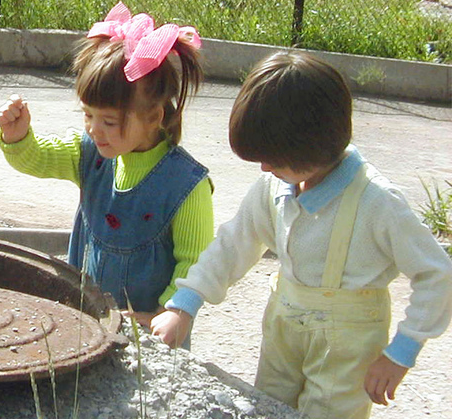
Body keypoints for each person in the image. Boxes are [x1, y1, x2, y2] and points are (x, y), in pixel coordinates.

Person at [146, 51, 452, 418]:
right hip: (284, 330)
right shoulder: (274, 185)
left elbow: (437, 273)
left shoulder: (378, 203)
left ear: (314, 145)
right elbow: (233, 243)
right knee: (267, 406)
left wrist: (401, 352)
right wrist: (185, 303)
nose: (264, 166)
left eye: (273, 157)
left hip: (349, 348)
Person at [0, 1, 214, 342]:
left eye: (109, 121)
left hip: (151, 336)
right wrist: (18, 137)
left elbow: (196, 266)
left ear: (154, 118)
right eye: (88, 116)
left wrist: (167, 313)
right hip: (88, 325)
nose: (95, 130)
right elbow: (36, 159)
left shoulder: (186, 186)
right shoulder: (91, 154)